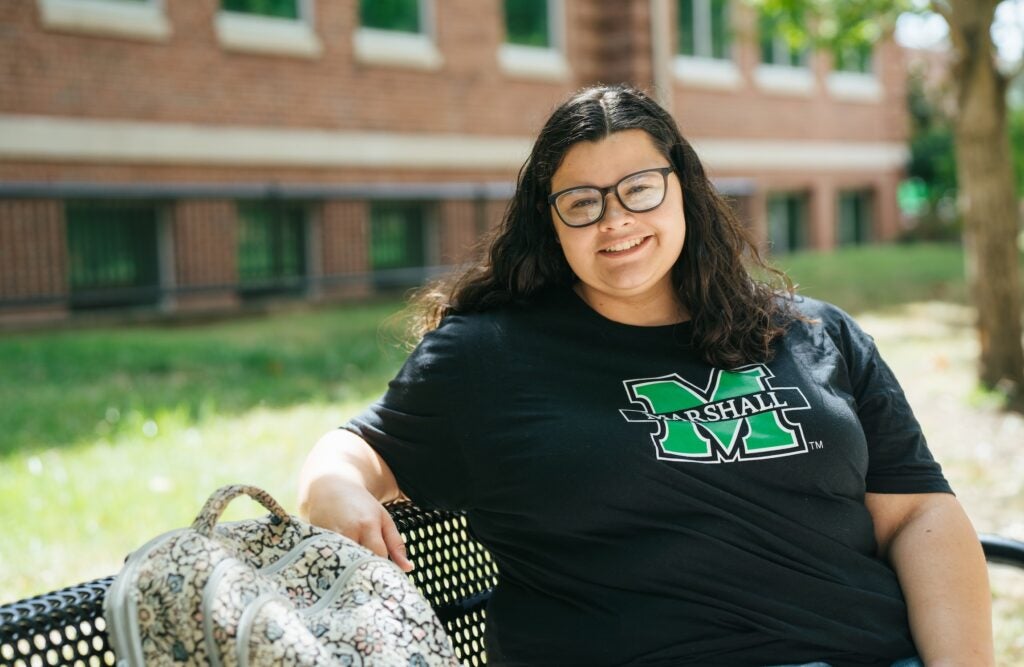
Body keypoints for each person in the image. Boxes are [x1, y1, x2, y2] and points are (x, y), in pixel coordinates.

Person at [298, 84, 993, 667]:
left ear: (683, 189)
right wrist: (331, 487)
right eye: (583, 202)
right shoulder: (490, 356)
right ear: (552, 223)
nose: (615, 220)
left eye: (638, 189)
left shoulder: (815, 333)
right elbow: (357, 452)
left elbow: (917, 511)